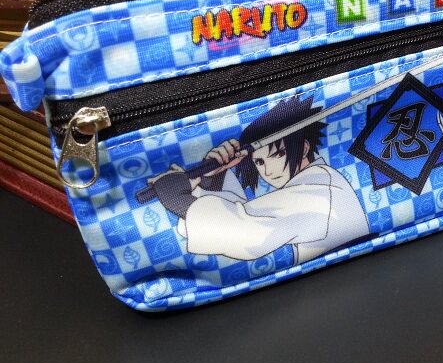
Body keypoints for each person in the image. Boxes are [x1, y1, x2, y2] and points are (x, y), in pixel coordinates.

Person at [151, 96, 370, 264]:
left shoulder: (319, 187)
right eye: (259, 162)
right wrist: (213, 179)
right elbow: (247, 212)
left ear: (304, 148)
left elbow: (244, 232)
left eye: (277, 154)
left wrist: (177, 197)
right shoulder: (316, 182)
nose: (268, 170)